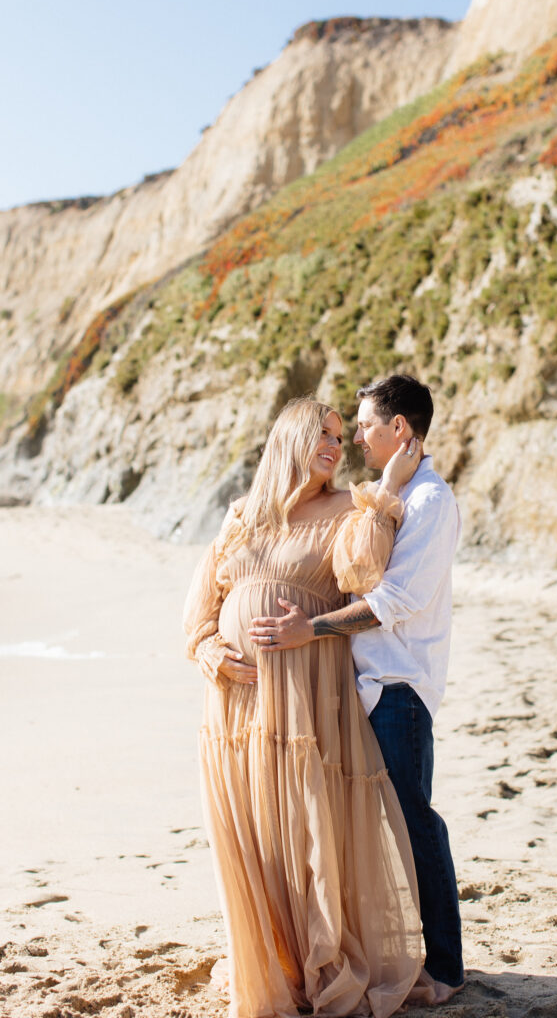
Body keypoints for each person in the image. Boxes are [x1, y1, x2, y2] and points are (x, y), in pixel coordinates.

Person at [183, 397, 425, 1018]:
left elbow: (366, 571)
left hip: (305, 701)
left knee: (304, 829)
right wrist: (211, 651)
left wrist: (386, 488)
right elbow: (200, 611)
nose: (334, 445)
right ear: (289, 437)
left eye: (341, 436)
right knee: (253, 835)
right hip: (234, 709)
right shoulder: (242, 516)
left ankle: (320, 962)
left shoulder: (350, 508)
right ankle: (272, 963)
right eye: (321, 432)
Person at [250, 375, 464, 1001]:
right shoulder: (389, 493)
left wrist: (307, 630)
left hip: (396, 686)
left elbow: (391, 600)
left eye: (366, 426)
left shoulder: (429, 503)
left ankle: (447, 969)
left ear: (401, 428)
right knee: (355, 827)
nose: (357, 440)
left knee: (413, 822)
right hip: (355, 685)